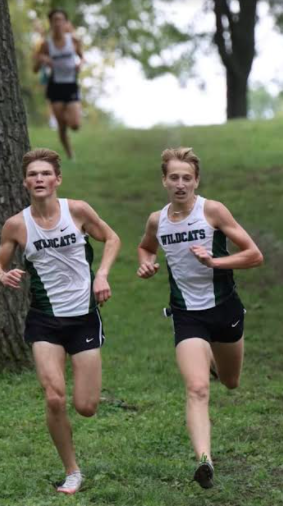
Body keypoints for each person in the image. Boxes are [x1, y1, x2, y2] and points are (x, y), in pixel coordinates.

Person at [0, 148, 121, 495]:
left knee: (86, 406)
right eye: (33, 174)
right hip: (44, 320)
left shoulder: (76, 211)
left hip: (83, 318)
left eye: (45, 173)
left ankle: (83, 419)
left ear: (57, 179)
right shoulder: (17, 225)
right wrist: (2, 276)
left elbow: (112, 238)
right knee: (53, 398)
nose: (39, 179)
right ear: (25, 182)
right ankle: (72, 471)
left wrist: (102, 275)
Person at [137, 147, 263, 489]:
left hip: (224, 310)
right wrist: (146, 263)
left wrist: (215, 262)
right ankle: (204, 460)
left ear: (196, 181)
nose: (180, 184)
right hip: (187, 315)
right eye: (174, 178)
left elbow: (254, 255)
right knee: (196, 388)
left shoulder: (213, 211)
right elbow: (146, 245)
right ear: (164, 180)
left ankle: (212, 361)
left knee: (231, 380)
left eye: (187, 178)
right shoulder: (157, 220)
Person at [33, 9, 83, 159]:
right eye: (54, 20)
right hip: (55, 86)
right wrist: (42, 60)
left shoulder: (73, 41)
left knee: (74, 124)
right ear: (50, 23)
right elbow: (34, 69)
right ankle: (70, 154)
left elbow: (82, 57)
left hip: (71, 84)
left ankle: (69, 114)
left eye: (61, 19)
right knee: (61, 126)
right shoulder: (46, 45)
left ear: (66, 23)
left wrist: (80, 63)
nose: (58, 23)